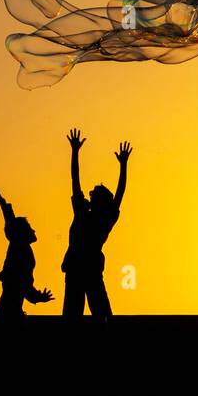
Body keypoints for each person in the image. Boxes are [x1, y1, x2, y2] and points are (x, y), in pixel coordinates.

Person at [61, 128, 131, 319]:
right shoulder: (88, 215)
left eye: (95, 195)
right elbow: (75, 181)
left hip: (84, 270)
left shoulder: (98, 218)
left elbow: (119, 193)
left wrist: (123, 166)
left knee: (96, 314)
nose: (91, 196)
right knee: (89, 314)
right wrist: (74, 152)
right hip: (80, 270)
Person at [0, 188, 54, 319]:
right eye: (30, 228)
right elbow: (23, 284)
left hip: (12, 309)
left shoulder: (22, 249)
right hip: (10, 311)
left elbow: (24, 285)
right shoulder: (19, 247)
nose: (33, 230)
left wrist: (38, 297)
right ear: (23, 233)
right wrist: (2, 203)